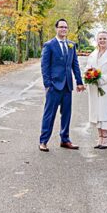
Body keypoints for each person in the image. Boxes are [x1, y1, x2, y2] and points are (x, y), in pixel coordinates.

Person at [38, 18, 84, 151]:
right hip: (54, 87)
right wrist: (48, 84)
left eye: (65, 27)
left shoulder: (71, 45)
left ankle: (65, 140)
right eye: (61, 27)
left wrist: (79, 82)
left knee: (67, 114)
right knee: (49, 115)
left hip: (67, 87)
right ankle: (43, 141)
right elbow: (44, 66)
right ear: (56, 29)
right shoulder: (49, 45)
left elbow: (75, 65)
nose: (63, 29)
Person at [85, 31, 107, 149]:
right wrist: (89, 76)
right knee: (96, 111)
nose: (102, 41)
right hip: (94, 87)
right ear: (97, 40)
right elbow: (88, 67)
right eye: (100, 39)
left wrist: (101, 79)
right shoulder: (93, 54)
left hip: (105, 86)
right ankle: (99, 137)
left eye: (104, 39)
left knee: (104, 111)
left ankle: (105, 137)